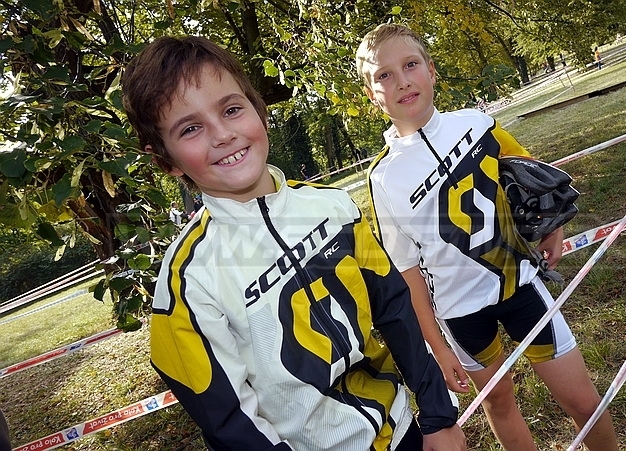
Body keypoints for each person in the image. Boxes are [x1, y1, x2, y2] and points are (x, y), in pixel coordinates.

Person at [121, 35, 466, 451]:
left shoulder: (333, 207)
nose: (223, 135)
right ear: (165, 159)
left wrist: (438, 414)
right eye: (191, 128)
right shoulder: (187, 282)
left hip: (403, 428)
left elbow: (394, 307)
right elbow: (228, 421)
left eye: (231, 109)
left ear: (259, 110)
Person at [356, 24, 619, 451]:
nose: (402, 80)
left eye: (410, 65)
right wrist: (437, 347)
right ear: (372, 95)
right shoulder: (383, 178)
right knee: (499, 402)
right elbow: (407, 271)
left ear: (431, 70)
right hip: (459, 313)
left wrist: (553, 226)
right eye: (384, 75)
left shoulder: (477, 124)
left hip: (522, 286)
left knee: (585, 402)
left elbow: (533, 175)